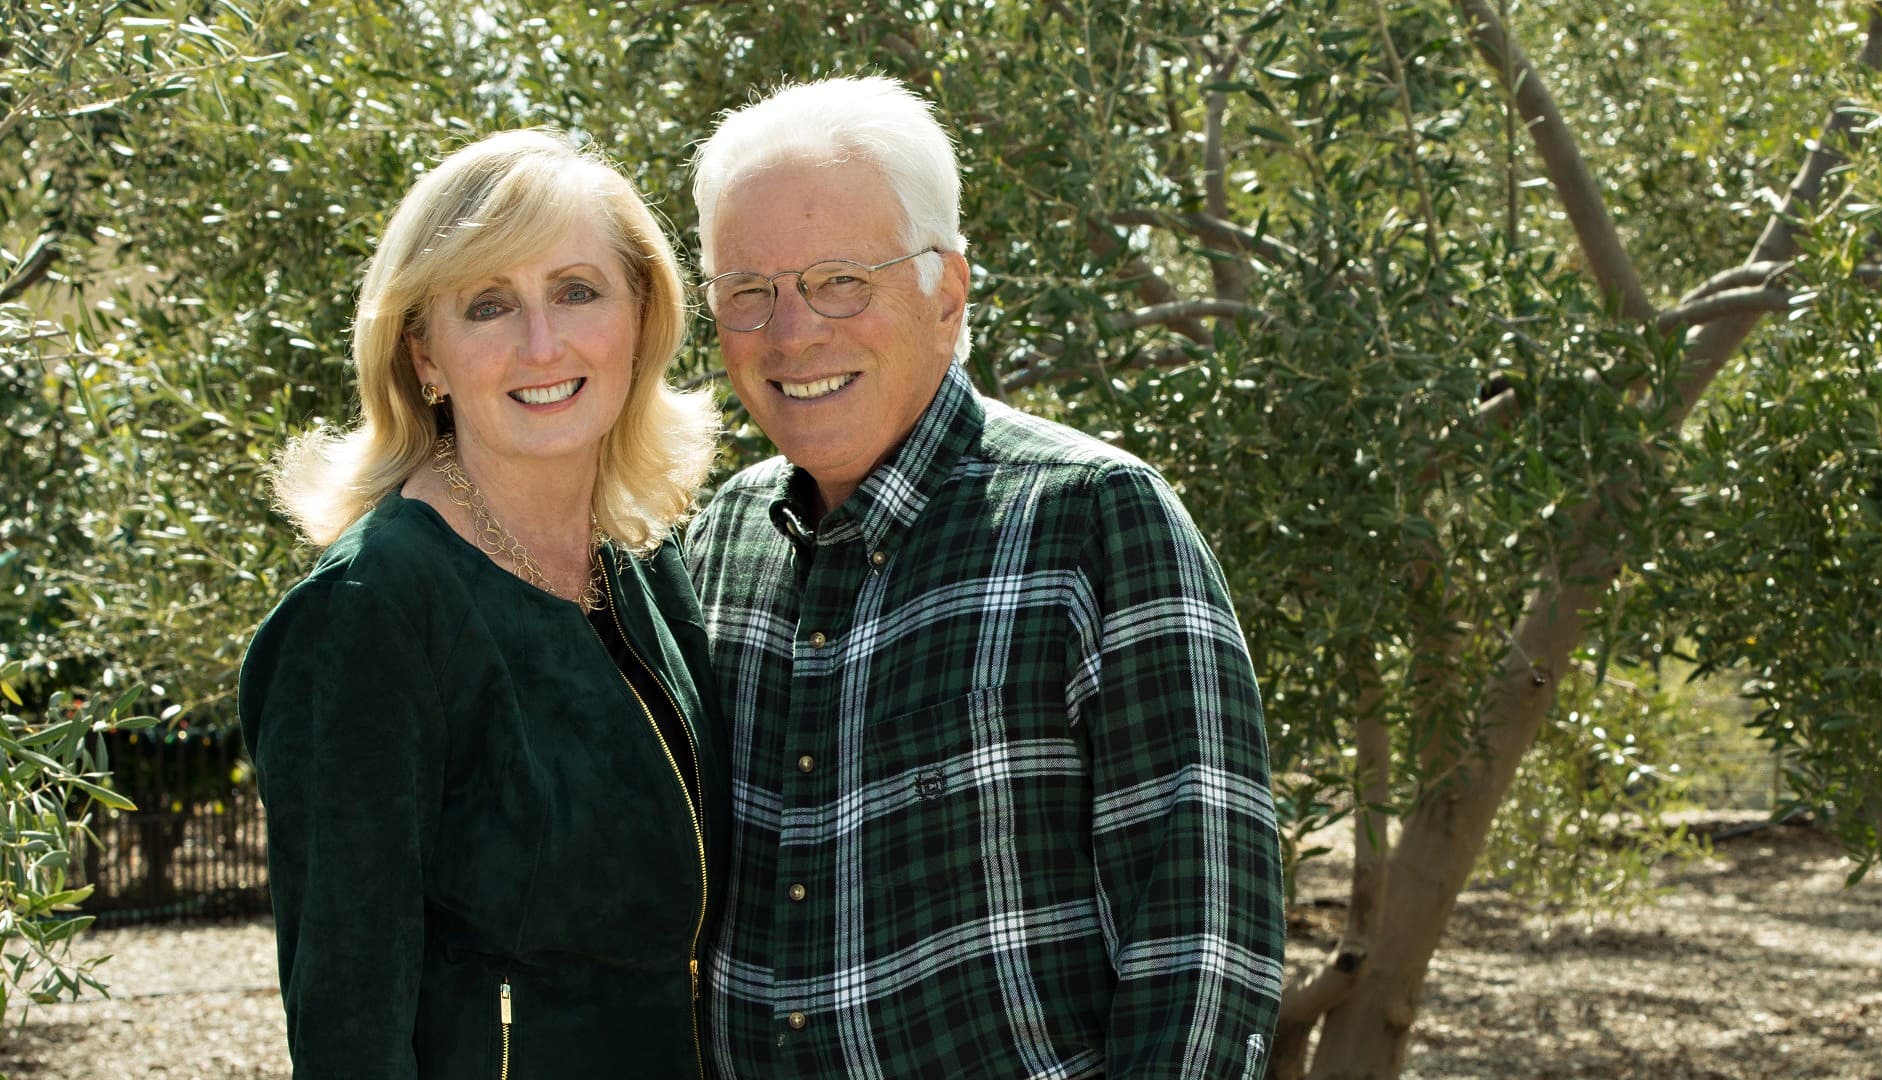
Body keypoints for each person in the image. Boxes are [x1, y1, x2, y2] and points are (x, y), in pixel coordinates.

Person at [683, 77, 1285, 1078]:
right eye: (749, 292)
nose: (791, 335)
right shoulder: (718, 545)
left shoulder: (1094, 519)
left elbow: (1203, 948)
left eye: (840, 281)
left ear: (947, 293)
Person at [239, 129, 725, 1078]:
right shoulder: (369, 609)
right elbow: (348, 1020)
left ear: (641, 315)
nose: (542, 344)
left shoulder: (638, 558)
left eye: (578, 291)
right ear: (424, 355)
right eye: (489, 305)